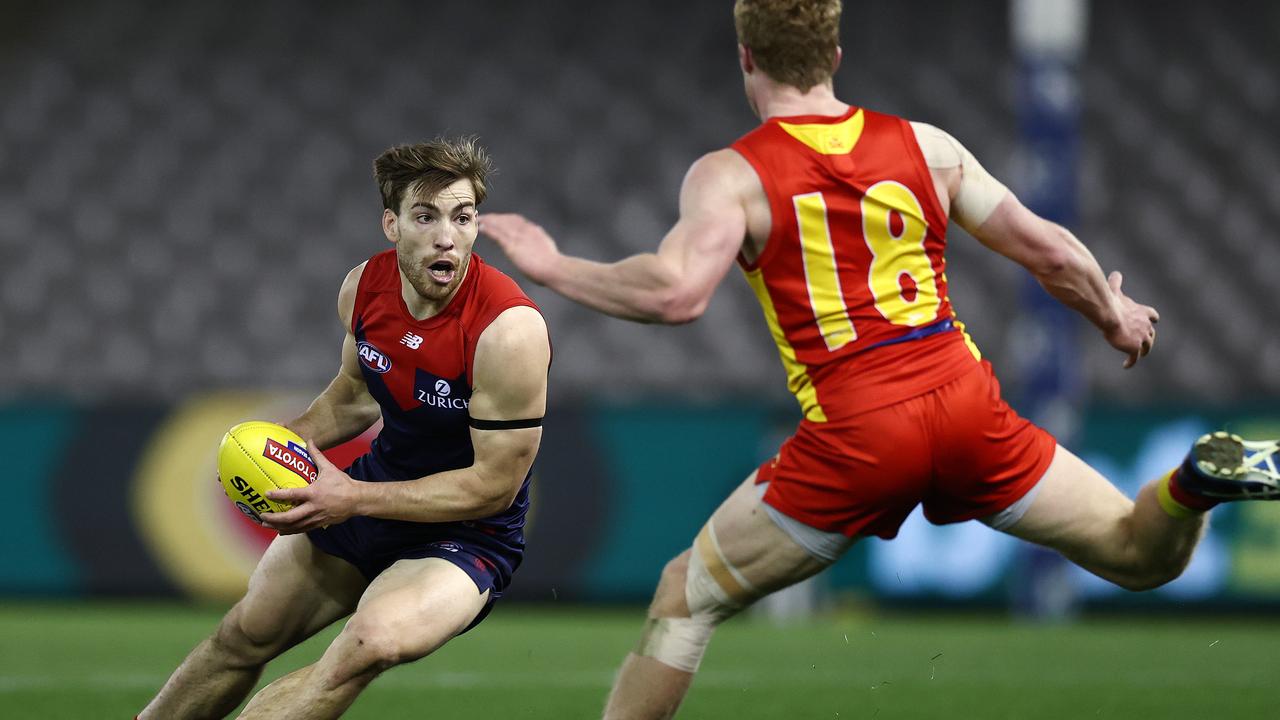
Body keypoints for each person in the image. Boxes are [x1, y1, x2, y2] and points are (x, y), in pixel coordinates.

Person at [478, 1, 1280, 717]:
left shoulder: (732, 174)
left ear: (746, 57)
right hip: (967, 405)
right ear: (834, 56)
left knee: (682, 602)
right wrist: (1114, 314)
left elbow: (675, 293)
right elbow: (1047, 249)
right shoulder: (926, 147)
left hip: (858, 433)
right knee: (1140, 557)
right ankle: (1191, 486)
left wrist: (553, 268)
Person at [139, 137, 551, 720]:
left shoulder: (508, 332)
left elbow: (494, 486)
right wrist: (282, 444)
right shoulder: (364, 288)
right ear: (392, 224)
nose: (446, 236)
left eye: (462, 217)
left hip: (466, 536)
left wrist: (351, 497)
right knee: (244, 635)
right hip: (371, 499)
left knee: (368, 644)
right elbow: (355, 396)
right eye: (425, 216)